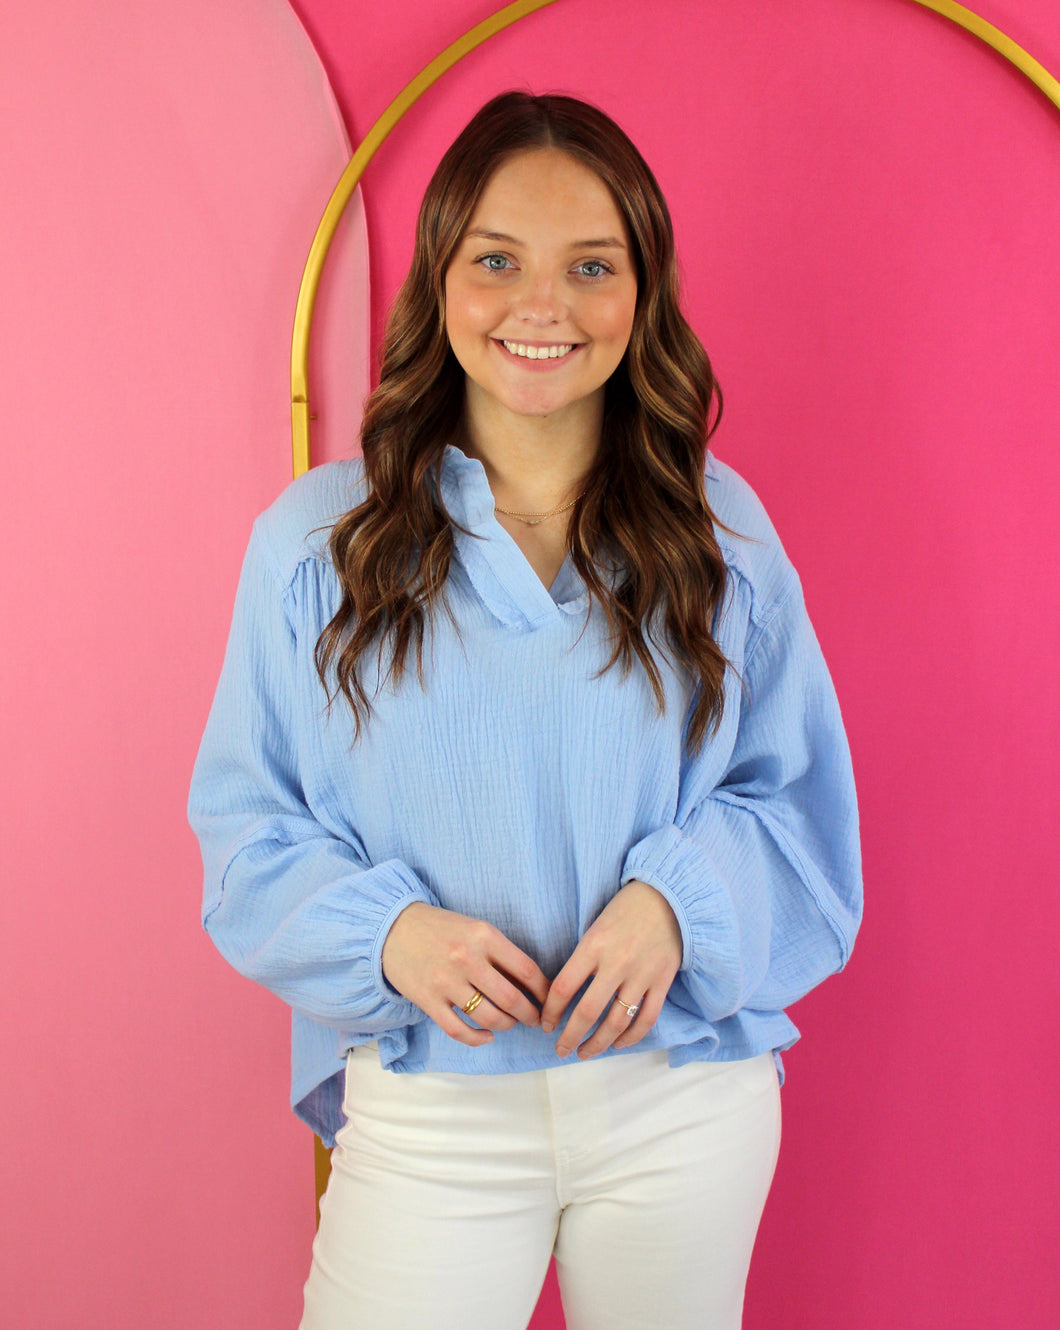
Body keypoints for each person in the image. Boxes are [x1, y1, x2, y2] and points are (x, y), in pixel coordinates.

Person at [188, 90, 862, 1330]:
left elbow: (798, 813)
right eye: (495, 260)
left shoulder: (725, 539)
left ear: (641, 291)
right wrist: (390, 937)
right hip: (431, 1099)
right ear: (441, 277)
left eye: (589, 265)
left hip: (681, 1095)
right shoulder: (313, 548)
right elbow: (247, 837)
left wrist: (678, 904)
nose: (539, 305)